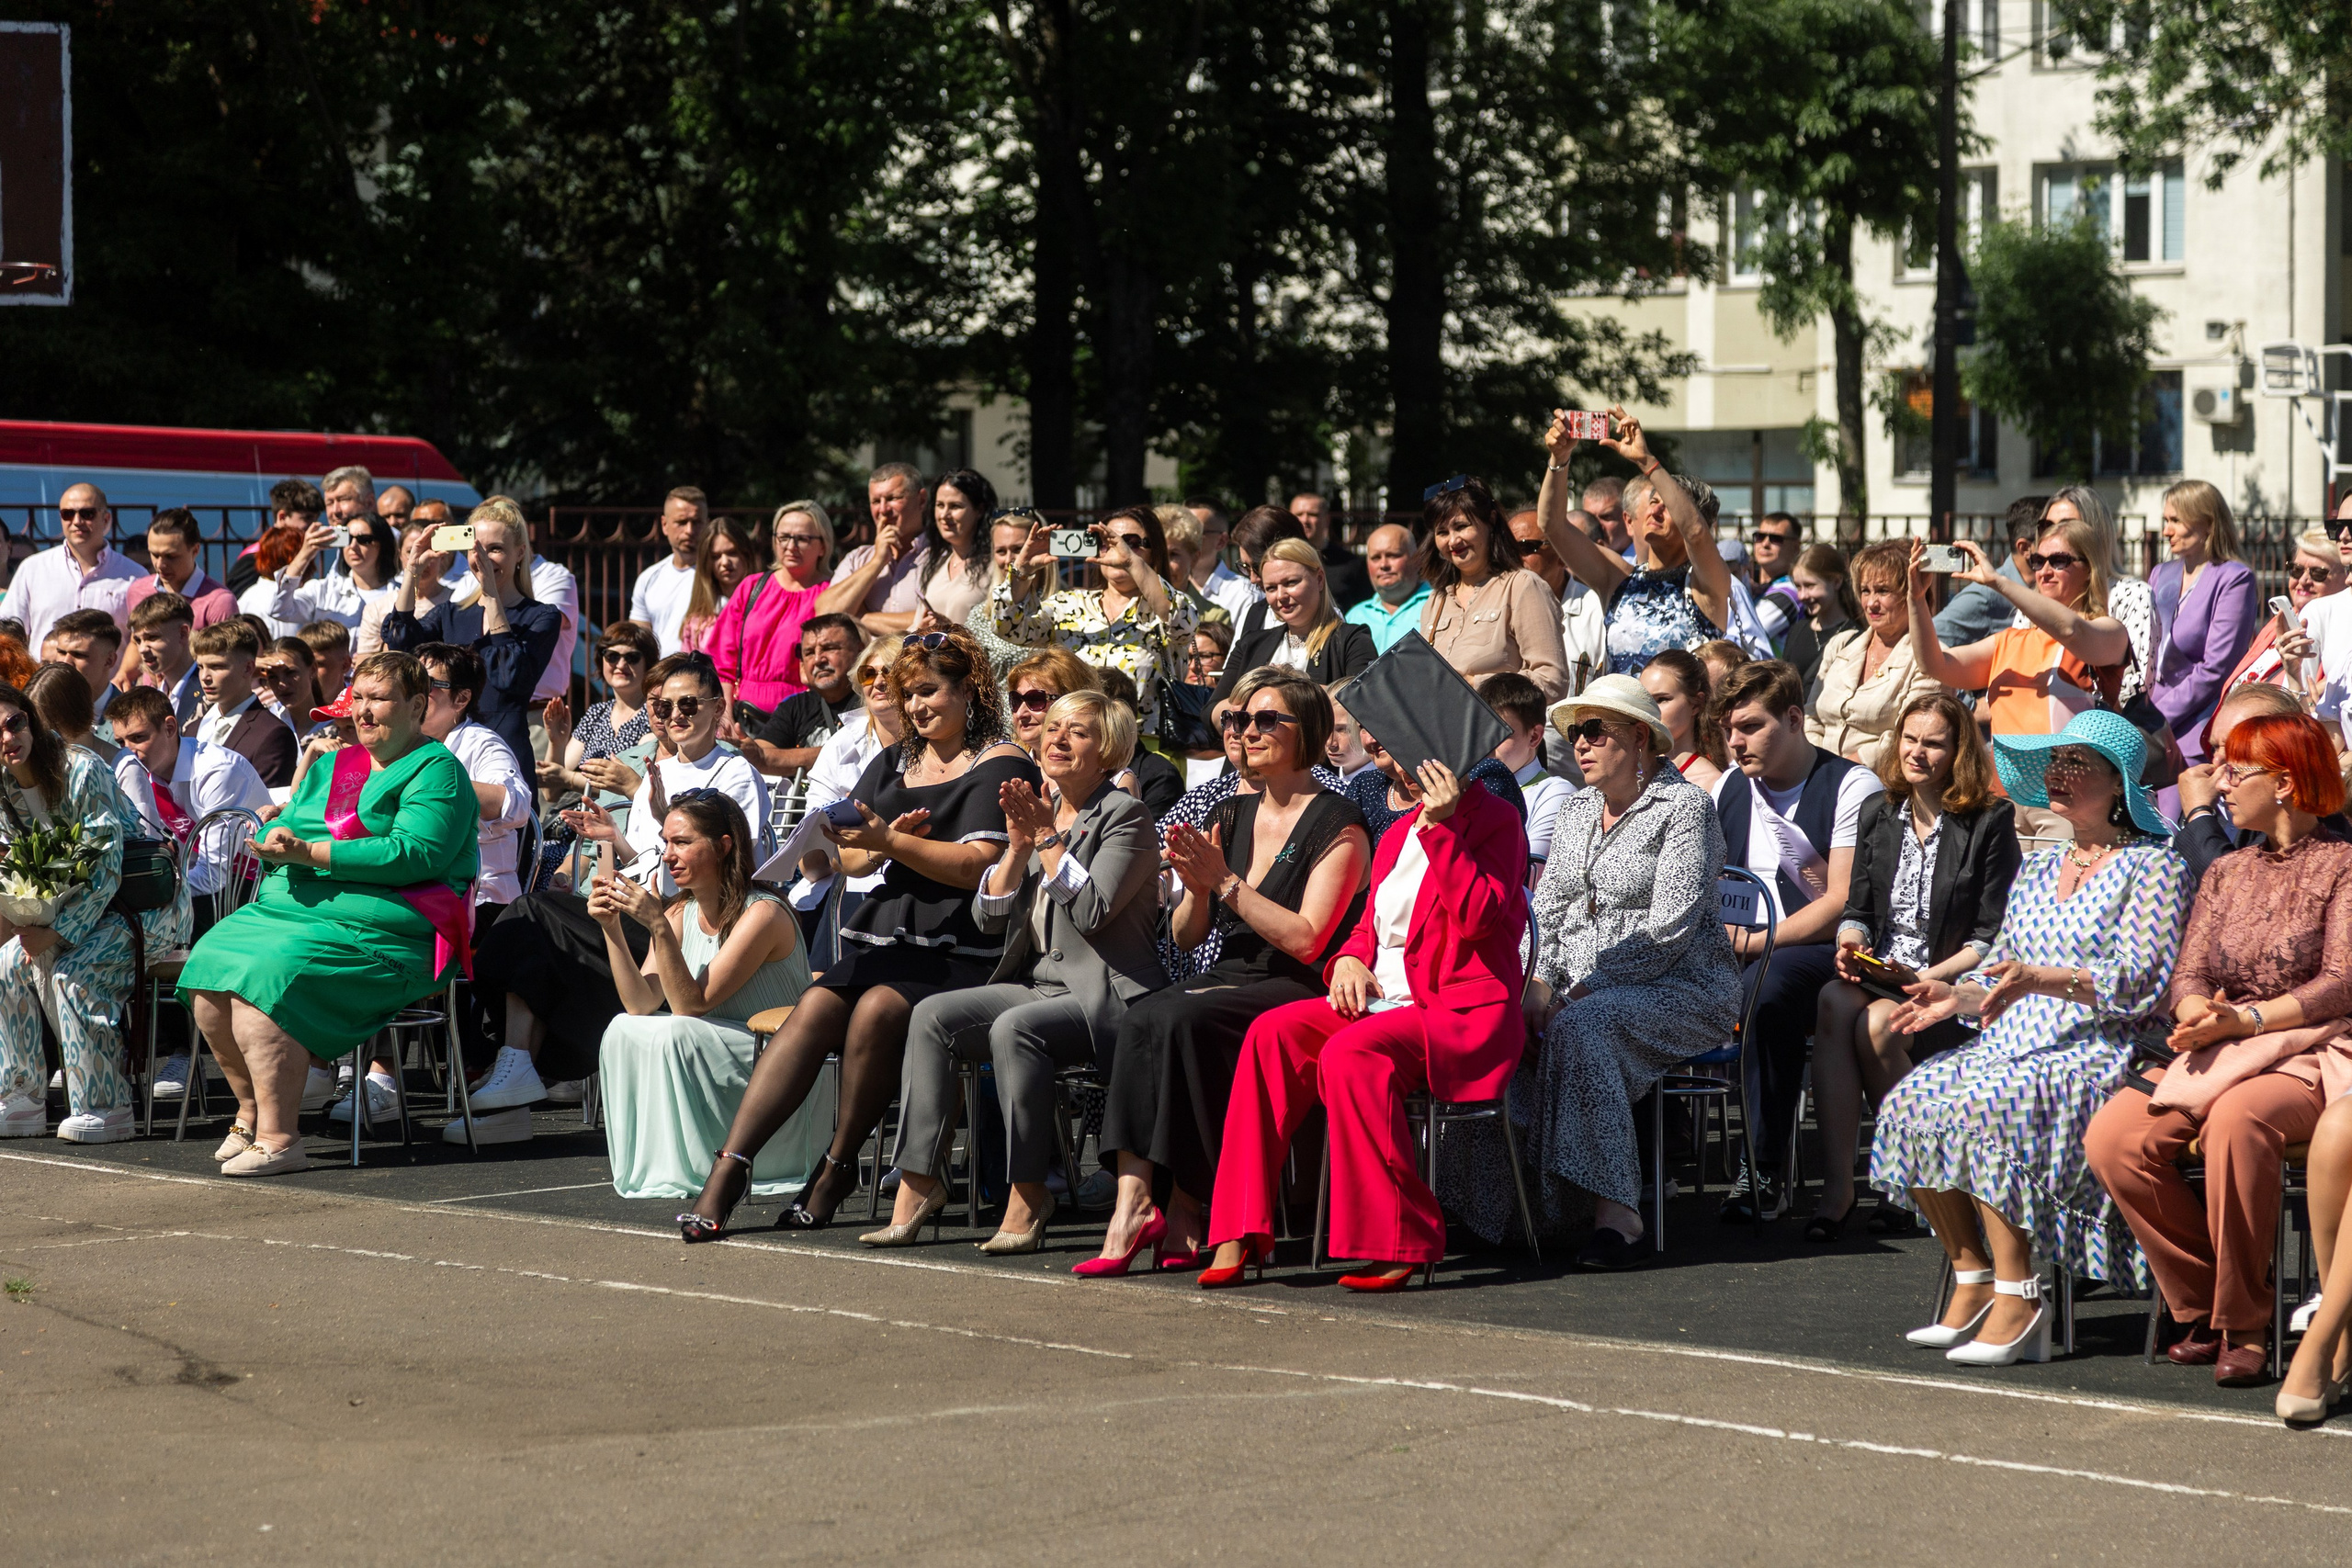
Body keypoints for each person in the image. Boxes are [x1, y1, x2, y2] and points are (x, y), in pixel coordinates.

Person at [675, 627, 1036, 1237]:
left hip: (965, 944)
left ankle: (837, 1169)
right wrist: (872, 846)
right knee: (815, 1005)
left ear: (969, 690)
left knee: (874, 1009)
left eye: (928, 691)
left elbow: (977, 864)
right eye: (908, 694)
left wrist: (891, 839)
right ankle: (730, 1169)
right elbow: (850, 859)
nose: (916, 706)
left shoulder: (1000, 762)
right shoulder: (893, 759)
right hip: (889, 935)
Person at [1871, 710, 2191, 1365]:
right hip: (2017, 1039)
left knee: (1989, 1102)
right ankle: (1974, 1276)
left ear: (2120, 784)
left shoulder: (2154, 868)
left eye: (2077, 764)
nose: (2058, 774)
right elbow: (2004, 972)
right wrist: (1954, 997)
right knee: (1913, 1097)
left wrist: (2041, 978)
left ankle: (2021, 1293)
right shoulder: (2041, 866)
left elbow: (2141, 984)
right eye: (2055, 761)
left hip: (2103, 1047)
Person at [1205, 725, 1528, 1295]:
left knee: (1353, 1053)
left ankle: (1398, 1237)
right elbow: (1366, 930)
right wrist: (1346, 963)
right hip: (1385, 1001)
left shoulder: (1495, 820)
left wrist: (1447, 827)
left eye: (1408, 760)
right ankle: (1239, 1229)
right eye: (1390, 760)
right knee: (1271, 1033)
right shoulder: (1399, 831)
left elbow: (1480, 917)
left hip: (1461, 1012)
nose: (1398, 773)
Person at [2085, 711, 2351, 1386]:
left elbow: (2341, 982)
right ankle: (2201, 1299)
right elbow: (2190, 971)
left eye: (2238, 771)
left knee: (2239, 1120)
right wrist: (2197, 1009)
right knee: (2113, 1138)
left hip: (2308, 1049)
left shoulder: (2343, 864)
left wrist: (2247, 1020)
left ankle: (2246, 1322)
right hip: (2224, 1042)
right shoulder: (2227, 870)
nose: (2218, 784)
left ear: (2286, 783)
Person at [1086, 670, 1369, 1273]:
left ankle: (1189, 1206)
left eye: (1268, 720)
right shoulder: (1232, 813)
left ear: (1309, 732)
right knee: (1148, 1016)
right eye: (1241, 720)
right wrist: (1195, 890)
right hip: (1231, 972)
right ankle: (1135, 1203)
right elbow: (1190, 935)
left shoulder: (1339, 821)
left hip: (1296, 980)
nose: (1248, 731)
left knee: (1186, 1018)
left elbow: (1308, 936)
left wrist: (1224, 882)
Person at [871, 691, 1168, 1251]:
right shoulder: (1038, 810)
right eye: (1051, 728)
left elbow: (1094, 910)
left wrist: (1048, 840)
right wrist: (1013, 849)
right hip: (1038, 986)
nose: (1055, 739)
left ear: (1107, 748)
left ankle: (1028, 1191)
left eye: (1075, 732)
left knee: (1015, 1029)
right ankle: (918, 1181)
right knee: (932, 1015)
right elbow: (989, 919)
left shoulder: (1125, 816)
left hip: (1107, 995)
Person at [175, 652, 479, 1175]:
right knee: (208, 967)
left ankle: (280, 1136)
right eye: (357, 698)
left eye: (378, 699)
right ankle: (248, 1116)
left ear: (418, 706)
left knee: (268, 976)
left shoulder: (439, 771)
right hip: (297, 910)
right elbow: (295, 819)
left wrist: (308, 854)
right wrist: (274, 834)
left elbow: (415, 855)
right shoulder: (336, 763)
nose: (363, 711)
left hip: (390, 925)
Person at [470, 649, 772, 1127]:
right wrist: (616, 840)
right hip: (645, 908)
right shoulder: (661, 771)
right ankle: (517, 1075)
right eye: (663, 707)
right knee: (536, 930)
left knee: (536, 917)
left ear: (717, 708)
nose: (675, 717)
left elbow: (725, 868)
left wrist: (645, 804)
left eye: (689, 706)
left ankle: (517, 1067)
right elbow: (655, 863)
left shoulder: (734, 774)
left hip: (686, 926)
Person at [1507, 673, 1739, 1268]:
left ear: (1639, 738)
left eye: (1594, 731)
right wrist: (1540, 982)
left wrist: (1580, 990)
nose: (1579, 743)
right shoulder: (1579, 808)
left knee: (1584, 1025)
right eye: (1574, 732)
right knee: (1505, 1023)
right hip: (1579, 986)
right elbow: (1551, 909)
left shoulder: (1686, 807)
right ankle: (1528, 1207)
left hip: (1683, 985)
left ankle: (1618, 1212)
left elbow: (1669, 930)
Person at [1807, 694, 2019, 1241]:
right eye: (1910, 738)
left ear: (1958, 753)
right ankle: (1840, 1187)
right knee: (1833, 998)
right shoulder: (1879, 811)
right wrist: (1850, 945)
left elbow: (1992, 934)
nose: (1916, 753)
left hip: (1950, 982)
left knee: (1877, 1024)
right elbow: (1856, 910)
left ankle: (1912, 1180)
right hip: (1887, 972)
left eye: (1933, 743)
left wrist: (1933, 977)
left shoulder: (1989, 820)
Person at [594, 791, 821, 1201]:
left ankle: (710, 1163)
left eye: (682, 842)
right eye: (665, 843)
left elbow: (691, 1005)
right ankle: (666, 1164)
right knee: (622, 1028)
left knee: (678, 1031)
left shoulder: (762, 913)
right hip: (721, 1049)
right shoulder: (681, 912)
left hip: (777, 1062)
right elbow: (640, 1003)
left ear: (723, 846)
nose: (667, 855)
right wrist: (611, 928)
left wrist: (657, 927)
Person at [0, 679, 196, 1144]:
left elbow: (105, 866)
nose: (8, 737)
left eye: (15, 722)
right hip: (75, 911)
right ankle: (21, 1097)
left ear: (31, 717)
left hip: (146, 908)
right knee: (6, 966)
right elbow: (15, 863)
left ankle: (107, 1106)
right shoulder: (4, 785)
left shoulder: (81, 767)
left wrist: (59, 932)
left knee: (74, 973)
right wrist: (30, 923)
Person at [1907, 518, 2132, 840]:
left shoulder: (2109, 632)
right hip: (2002, 801)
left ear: (2090, 568)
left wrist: (1998, 582)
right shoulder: (2010, 640)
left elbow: (2072, 630)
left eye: (2059, 561)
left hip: (2068, 802)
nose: (2044, 571)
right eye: (2038, 561)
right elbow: (1935, 664)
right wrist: (1916, 600)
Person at [1535, 409, 1733, 678]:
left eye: (1667, 505)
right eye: (1652, 502)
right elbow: (1552, 525)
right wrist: (1559, 459)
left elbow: (1696, 533)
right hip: (1619, 718)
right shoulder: (1619, 579)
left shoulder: (1707, 585)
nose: (1655, 511)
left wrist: (1647, 462)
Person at [380, 499, 564, 770]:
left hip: (505, 753)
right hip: (448, 752)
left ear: (521, 552)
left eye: (496, 549)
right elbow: (401, 641)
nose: (483, 558)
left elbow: (508, 676)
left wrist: (491, 594)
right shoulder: (451, 613)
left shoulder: (541, 616)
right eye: (476, 549)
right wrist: (412, 572)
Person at [993, 504, 1198, 741]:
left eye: (1131, 542)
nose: (1118, 549)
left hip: (1146, 745)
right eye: (1106, 540)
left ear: (1153, 551)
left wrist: (1132, 563)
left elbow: (1183, 624)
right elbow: (1007, 627)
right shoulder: (1068, 604)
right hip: (1073, 742)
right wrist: (1022, 569)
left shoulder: (1165, 607)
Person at [1414, 477, 1570, 701]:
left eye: (1461, 526)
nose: (1453, 541)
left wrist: (1474, 685)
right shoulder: (1436, 600)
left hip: (1501, 735)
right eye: (1442, 532)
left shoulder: (1522, 586)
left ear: (1491, 520)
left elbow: (1553, 681)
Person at [2147, 479, 2260, 778]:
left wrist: (2155, 716)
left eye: (2176, 521)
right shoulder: (2161, 574)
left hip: (2194, 733)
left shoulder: (2234, 578)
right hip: (2147, 727)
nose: (2166, 531)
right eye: (2165, 520)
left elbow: (2216, 669)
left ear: (2208, 524)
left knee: (2176, 824)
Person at [1805, 540, 1943, 770]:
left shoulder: (1930, 660)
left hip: (1877, 786)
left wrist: (1843, 772)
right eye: (1865, 591)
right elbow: (1811, 714)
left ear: (1914, 592)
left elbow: (1907, 736)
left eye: (1883, 591)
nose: (1871, 603)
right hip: (1815, 774)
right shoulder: (1841, 644)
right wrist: (1814, 765)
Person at [708, 501, 838, 720]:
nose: (791, 546)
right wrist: (725, 716)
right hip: (744, 715)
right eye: (784, 537)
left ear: (823, 546)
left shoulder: (832, 593)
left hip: (804, 714)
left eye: (802, 538)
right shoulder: (752, 587)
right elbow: (722, 664)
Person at [1212, 536, 1375, 697]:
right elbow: (1212, 710)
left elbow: (1362, 700)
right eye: (1271, 588)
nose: (1281, 595)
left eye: (1291, 583)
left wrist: (1284, 687)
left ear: (1319, 579)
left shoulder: (1352, 640)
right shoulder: (1250, 643)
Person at [0, 483, 141, 650]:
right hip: (44, 675)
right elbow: (8, 635)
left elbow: (143, 638)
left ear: (106, 519)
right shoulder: (33, 569)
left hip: (110, 677)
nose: (77, 521)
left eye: (87, 513)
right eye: (68, 514)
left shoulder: (135, 576)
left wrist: (123, 676)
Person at [112, 507, 236, 694]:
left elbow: (227, 663)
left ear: (195, 550)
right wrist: (123, 673)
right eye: (154, 554)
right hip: (152, 701)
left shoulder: (219, 601)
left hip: (199, 703)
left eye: (171, 556)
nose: (160, 564)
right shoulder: (138, 590)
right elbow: (135, 641)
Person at [537, 620, 658, 807]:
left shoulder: (654, 717)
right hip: (575, 823)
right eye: (612, 656)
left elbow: (631, 788)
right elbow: (550, 793)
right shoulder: (597, 713)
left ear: (648, 665)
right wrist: (557, 742)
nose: (621, 664)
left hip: (620, 822)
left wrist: (568, 778)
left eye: (632, 657)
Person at [2219, 530, 2341, 701]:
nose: (2303, 581)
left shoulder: (2340, 637)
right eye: (2296, 570)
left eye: (2318, 573)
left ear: (2346, 579)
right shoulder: (2279, 622)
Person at [740, 613, 864, 778]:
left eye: (829, 648)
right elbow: (759, 752)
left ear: (860, 650)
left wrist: (765, 758)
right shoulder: (794, 706)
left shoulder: (874, 700)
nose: (818, 659)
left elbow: (860, 751)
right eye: (809, 653)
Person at [1480, 672, 1571, 882]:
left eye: (1499, 734)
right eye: (1481, 731)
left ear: (1534, 736)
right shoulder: (1463, 784)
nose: (1487, 744)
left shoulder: (1556, 793)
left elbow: (1529, 879)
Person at [1508, 508, 1607, 700]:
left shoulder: (1597, 610)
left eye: (1526, 547)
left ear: (1561, 554)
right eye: (1508, 549)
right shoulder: (1491, 609)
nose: (1514, 558)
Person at [191, 618, 297, 789]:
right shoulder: (193, 728)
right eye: (200, 667)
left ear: (248, 668)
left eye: (217, 667)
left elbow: (269, 806)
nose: (204, 677)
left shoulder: (272, 734)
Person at [830, 463, 932, 638]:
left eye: (893, 498)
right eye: (876, 501)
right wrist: (877, 561)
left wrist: (860, 616)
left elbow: (935, 619)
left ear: (921, 500)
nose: (883, 510)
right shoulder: (858, 559)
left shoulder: (942, 556)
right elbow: (827, 614)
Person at [1933, 498, 2047, 651]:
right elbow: (1930, 641)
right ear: (2025, 548)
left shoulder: (2051, 587)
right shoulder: (1987, 596)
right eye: (2051, 537)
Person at [263, 509, 398, 633]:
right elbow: (279, 610)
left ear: (383, 544)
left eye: (364, 540)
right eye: (347, 539)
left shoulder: (400, 594)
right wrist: (304, 554)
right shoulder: (324, 590)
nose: (353, 546)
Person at [357, 513, 467, 658]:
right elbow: (364, 665)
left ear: (442, 554)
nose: (422, 558)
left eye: (429, 550)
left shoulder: (459, 600)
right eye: (412, 551)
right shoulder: (377, 608)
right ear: (400, 554)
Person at [628, 486, 708, 656]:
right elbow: (638, 642)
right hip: (660, 678)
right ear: (665, 525)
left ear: (707, 524)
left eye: (696, 522)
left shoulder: (721, 575)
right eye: (681, 522)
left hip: (709, 678)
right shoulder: (649, 578)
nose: (689, 530)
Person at [914, 468, 997, 629]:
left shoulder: (995, 566)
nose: (944, 514)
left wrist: (952, 630)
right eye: (940, 505)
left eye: (955, 506)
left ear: (979, 510)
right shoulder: (935, 563)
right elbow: (916, 623)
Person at [1637, 648, 1727, 795]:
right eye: (1644, 700)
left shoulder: (1713, 784)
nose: (1650, 709)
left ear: (1696, 704)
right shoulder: (1627, 774)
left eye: (1662, 699)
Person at [678, 513, 763, 657]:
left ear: (746, 554)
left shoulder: (767, 605)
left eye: (732, 553)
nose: (725, 562)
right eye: (716, 556)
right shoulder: (696, 623)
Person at [1344, 524, 1432, 655]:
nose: (1384, 565)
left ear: (1417, 559)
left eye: (1393, 555)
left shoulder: (1439, 605)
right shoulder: (1355, 617)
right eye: (1376, 558)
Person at [1781, 544, 1860, 692]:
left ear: (1836, 581)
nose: (1802, 595)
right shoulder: (1798, 629)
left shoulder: (1854, 637)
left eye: (1810, 586)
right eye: (1798, 586)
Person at [1004, 647, 1102, 758]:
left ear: (1072, 700)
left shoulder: (1111, 774)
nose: (1020, 713)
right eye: (1016, 700)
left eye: (1035, 699)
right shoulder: (1009, 764)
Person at [128, 592, 205, 728]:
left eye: (152, 637)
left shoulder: (208, 693)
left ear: (183, 633)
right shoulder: (155, 695)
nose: (142, 649)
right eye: (138, 640)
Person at [1289, 491, 1373, 611]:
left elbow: (1365, 609)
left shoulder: (1350, 563)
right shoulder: (1279, 561)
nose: (1305, 520)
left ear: (1327, 519)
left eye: (1313, 514)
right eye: (1299, 514)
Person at [1183, 501, 1261, 626]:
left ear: (1221, 541)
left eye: (1195, 531)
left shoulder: (1245, 594)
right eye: (1180, 530)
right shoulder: (1168, 587)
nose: (1184, 538)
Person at [43, 608, 124, 724]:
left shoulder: (131, 718)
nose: (66, 662)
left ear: (109, 660)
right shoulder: (41, 711)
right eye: (62, 652)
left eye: (78, 655)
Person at [1747, 513, 1804, 643]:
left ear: (1796, 547)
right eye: (1760, 537)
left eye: (1776, 539)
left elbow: (1745, 637)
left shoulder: (1790, 592)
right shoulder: (1754, 587)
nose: (1765, 544)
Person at [254, 637, 325, 734]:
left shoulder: (338, 727)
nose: (281, 684)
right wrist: (248, 672)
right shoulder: (265, 723)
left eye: (291, 673)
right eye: (273, 677)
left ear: (313, 669)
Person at [299, 620, 353, 706]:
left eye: (318, 664)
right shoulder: (281, 713)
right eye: (305, 664)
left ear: (345, 665)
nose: (309, 672)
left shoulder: (362, 709)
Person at [1581, 476, 1631, 558]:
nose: (1596, 525)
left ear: (1629, 520)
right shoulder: (1573, 566)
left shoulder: (1649, 564)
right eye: (1590, 518)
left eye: (1606, 517)